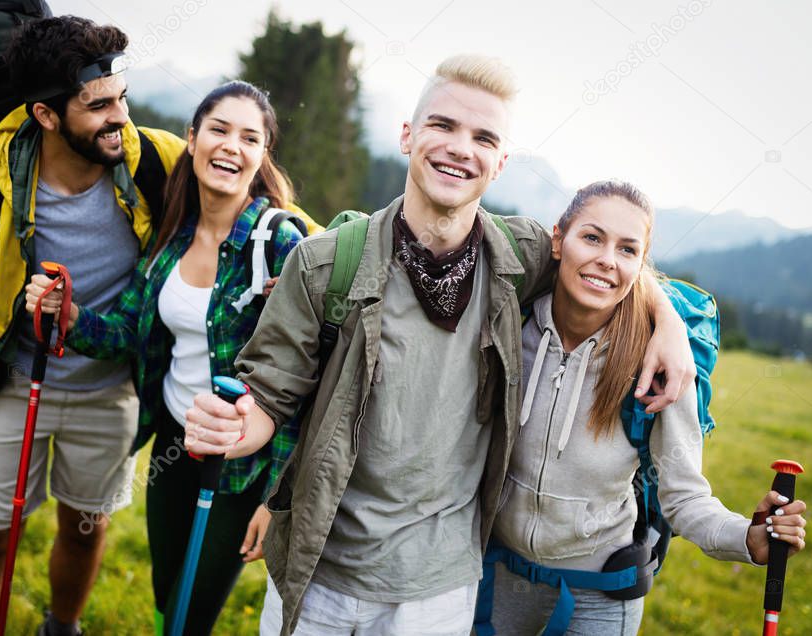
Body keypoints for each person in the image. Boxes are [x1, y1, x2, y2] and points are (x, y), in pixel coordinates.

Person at [0, 16, 319, 636]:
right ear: (47, 115)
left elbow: (260, 195)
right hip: (16, 379)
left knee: (86, 529)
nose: (119, 117)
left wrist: (311, 263)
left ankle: (62, 627)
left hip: (112, 392)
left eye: (122, 98)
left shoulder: (152, 155)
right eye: (98, 106)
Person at [183, 55, 697, 636]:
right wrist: (235, 425)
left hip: (441, 588)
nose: (460, 147)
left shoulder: (519, 254)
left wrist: (667, 321)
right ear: (408, 134)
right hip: (318, 571)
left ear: (500, 163)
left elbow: (607, 263)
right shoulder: (325, 263)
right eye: (442, 126)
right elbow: (269, 399)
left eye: (483, 137)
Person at [25, 80, 310, 635]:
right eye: (219, 130)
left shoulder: (280, 242)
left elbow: (306, 379)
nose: (231, 145)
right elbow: (130, 331)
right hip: (173, 448)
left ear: (261, 156)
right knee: (164, 597)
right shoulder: (173, 234)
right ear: (193, 138)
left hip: (240, 464)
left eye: (249, 137)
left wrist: (277, 499)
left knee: (191, 614)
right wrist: (68, 315)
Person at [479, 180, 809, 635]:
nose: (607, 260)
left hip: (602, 595)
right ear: (559, 239)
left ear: (640, 264)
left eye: (628, 249)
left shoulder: (661, 367)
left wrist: (748, 539)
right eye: (592, 238)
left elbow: (686, 497)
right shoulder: (508, 325)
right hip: (499, 579)